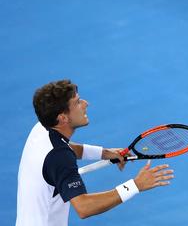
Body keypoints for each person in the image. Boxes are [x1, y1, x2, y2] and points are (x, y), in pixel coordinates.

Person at [16, 79, 174, 225]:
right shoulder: (59, 157)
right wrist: (135, 185)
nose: (86, 103)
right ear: (63, 118)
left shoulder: (41, 129)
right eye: (77, 102)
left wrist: (105, 153)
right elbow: (84, 207)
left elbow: (65, 148)